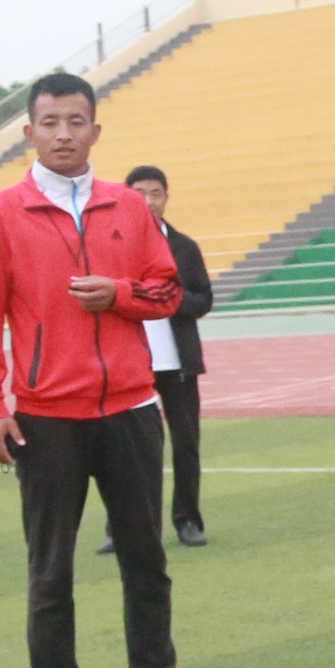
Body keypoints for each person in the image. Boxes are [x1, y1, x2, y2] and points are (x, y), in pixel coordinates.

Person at [0, 73, 211, 668]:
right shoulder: (2, 213)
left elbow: (168, 290)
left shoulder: (128, 207)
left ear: (95, 129)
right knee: (51, 567)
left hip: (131, 408)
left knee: (146, 558)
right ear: (29, 131)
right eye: (50, 122)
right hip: (45, 416)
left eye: (76, 121)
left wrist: (120, 293)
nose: (63, 133)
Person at [111, 162, 212, 547]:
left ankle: (188, 519)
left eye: (155, 193)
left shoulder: (184, 248)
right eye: (139, 194)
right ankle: (120, 527)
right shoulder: (112, 245)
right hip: (128, 362)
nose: (148, 201)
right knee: (126, 450)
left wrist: (168, 299)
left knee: (185, 443)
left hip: (178, 364)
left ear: (166, 197)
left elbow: (204, 299)